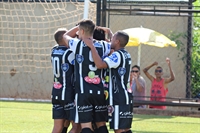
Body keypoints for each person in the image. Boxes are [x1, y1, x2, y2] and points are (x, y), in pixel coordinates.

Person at [63, 19, 111, 133]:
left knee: (86, 126)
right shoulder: (104, 45)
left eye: (79, 31)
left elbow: (65, 36)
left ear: (82, 31)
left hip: (83, 92)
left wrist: (77, 27)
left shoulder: (77, 44)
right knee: (101, 124)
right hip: (99, 91)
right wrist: (109, 32)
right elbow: (114, 45)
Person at [83, 28, 133, 133]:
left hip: (117, 96)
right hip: (126, 95)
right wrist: (110, 33)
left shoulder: (117, 55)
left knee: (118, 129)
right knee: (126, 128)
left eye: (113, 38)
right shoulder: (126, 54)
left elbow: (100, 64)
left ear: (117, 41)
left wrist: (92, 47)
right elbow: (114, 44)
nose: (110, 41)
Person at [51, 28, 75, 133]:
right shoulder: (69, 53)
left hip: (56, 91)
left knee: (58, 127)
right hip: (68, 92)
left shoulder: (54, 50)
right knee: (76, 127)